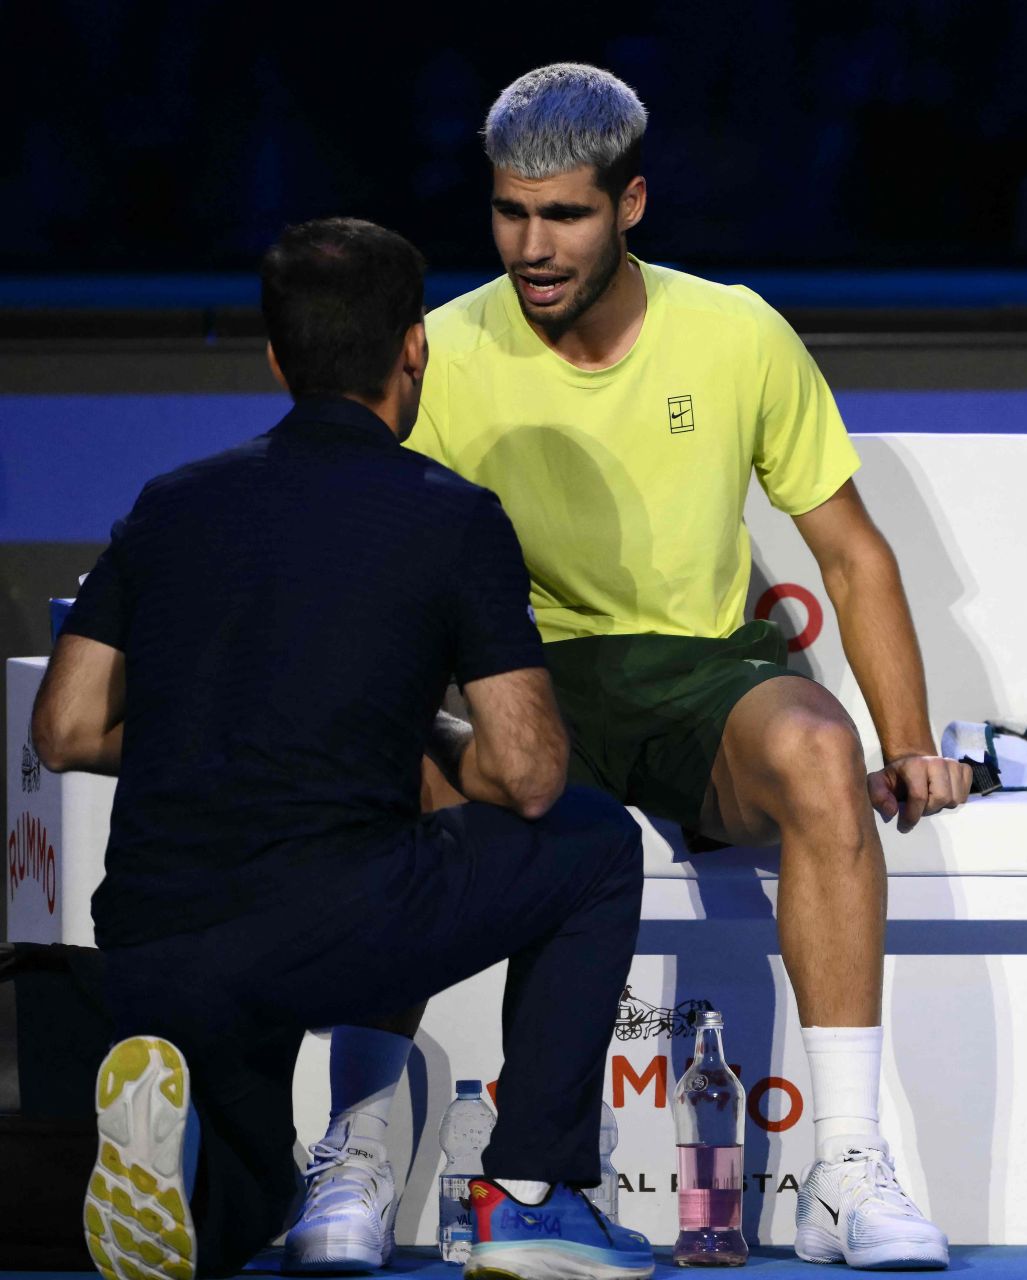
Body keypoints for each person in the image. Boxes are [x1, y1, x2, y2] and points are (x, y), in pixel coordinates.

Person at [289, 63, 962, 1272]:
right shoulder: (437, 350)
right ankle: (359, 1150)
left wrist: (909, 741)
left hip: (701, 680)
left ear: (631, 203)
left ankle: (848, 1164)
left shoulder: (737, 330)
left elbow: (853, 557)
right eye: (509, 212)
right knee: (378, 765)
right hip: (521, 687)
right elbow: (355, 544)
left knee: (819, 745)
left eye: (565, 214)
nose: (532, 245)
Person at [34, 218, 655, 1280]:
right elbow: (529, 772)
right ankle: (534, 1197)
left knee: (250, 1203)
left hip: (150, 939)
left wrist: (227, 723)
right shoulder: (450, 517)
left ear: (276, 359)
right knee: (593, 841)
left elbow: (67, 727)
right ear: (415, 347)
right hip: (330, 923)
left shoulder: (168, 503)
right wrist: (414, 737)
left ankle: (175, 1156)